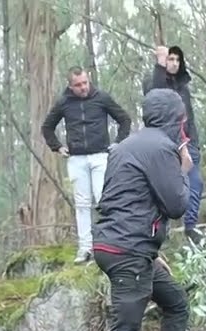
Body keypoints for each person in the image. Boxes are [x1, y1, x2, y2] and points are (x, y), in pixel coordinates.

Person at [89, 88, 206, 331]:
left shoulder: (127, 145)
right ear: (176, 119)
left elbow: (123, 200)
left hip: (125, 248)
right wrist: (185, 171)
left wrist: (151, 252)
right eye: (182, 120)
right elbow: (176, 204)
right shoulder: (161, 149)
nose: (184, 127)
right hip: (128, 253)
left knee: (175, 303)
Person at [40, 66, 132, 263]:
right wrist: (57, 147)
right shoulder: (64, 103)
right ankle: (85, 248)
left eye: (85, 83)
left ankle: (109, 244)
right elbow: (47, 127)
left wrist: (117, 144)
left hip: (101, 156)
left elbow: (124, 119)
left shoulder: (101, 98)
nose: (83, 87)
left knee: (103, 199)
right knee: (82, 204)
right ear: (70, 86)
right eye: (78, 85)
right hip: (77, 159)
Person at [143, 45, 204, 243]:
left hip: (188, 143)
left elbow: (190, 117)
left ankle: (191, 227)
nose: (174, 63)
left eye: (177, 60)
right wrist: (160, 64)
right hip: (166, 145)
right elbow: (155, 95)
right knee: (165, 188)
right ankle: (163, 230)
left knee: (196, 183)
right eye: (170, 59)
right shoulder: (154, 82)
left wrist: (194, 142)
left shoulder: (184, 88)